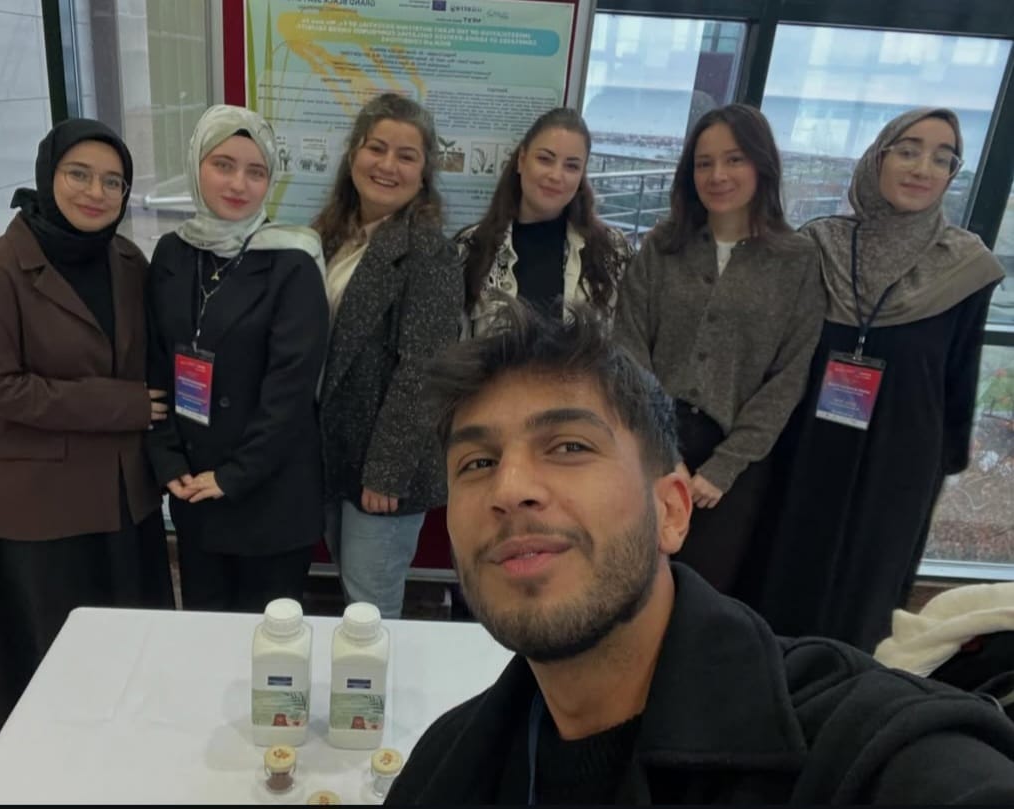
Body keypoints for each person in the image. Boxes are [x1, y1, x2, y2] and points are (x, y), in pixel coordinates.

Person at [387, 299, 1014, 805]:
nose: (509, 490)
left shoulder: (858, 745)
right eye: (478, 463)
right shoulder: (448, 763)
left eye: (570, 447)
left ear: (671, 512)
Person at [0, 119, 174, 740]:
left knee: (131, 641)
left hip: (124, 497)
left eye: (113, 181)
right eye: (79, 174)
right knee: (54, 650)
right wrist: (120, 405)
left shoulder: (127, 261)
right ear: (48, 175)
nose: (96, 192)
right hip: (44, 505)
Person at [755, 108, 1004, 652]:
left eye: (942, 158)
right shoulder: (818, 247)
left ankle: (846, 690)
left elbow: (959, 374)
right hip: (806, 447)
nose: (923, 168)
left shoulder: (964, 266)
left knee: (866, 596)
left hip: (901, 459)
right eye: (908, 150)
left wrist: (946, 461)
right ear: (877, 158)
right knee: (783, 574)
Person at [614, 104, 824, 594]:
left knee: (701, 592)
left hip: (733, 462)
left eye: (734, 160)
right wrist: (661, 449)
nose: (718, 175)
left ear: (761, 165)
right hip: (649, 440)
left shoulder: (796, 260)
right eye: (704, 163)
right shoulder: (662, 246)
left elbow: (788, 377)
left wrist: (725, 466)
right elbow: (628, 345)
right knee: (629, 579)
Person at [146, 105, 328, 612]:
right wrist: (167, 457)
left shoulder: (292, 260)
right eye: (222, 165)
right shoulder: (172, 253)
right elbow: (155, 361)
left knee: (267, 638)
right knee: (205, 628)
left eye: (256, 172)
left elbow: (290, 391)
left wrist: (234, 475)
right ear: (196, 165)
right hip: (194, 489)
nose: (238, 184)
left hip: (270, 496)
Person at [313, 93, 462, 618]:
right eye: (377, 148)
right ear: (354, 153)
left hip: (382, 472)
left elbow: (424, 371)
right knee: (353, 595)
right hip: (335, 453)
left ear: (424, 173)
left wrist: (386, 472)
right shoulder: (333, 236)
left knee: (371, 611)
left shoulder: (430, 252)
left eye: (406, 155)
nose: (387, 165)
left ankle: (376, 678)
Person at [457, 107, 632, 336]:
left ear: (581, 175)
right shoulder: (471, 248)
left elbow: (625, 343)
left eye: (571, 166)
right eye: (545, 159)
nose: (556, 175)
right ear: (521, 160)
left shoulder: (613, 252)